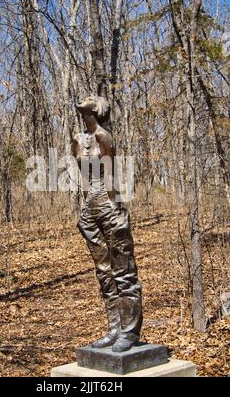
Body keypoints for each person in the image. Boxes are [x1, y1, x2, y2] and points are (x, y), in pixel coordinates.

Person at [73, 96, 143, 352]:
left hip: (109, 203)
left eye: (90, 99)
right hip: (91, 206)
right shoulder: (79, 139)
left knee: (123, 272)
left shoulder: (104, 135)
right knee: (104, 272)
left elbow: (112, 174)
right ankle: (114, 328)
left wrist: (117, 208)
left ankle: (129, 331)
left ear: (97, 108)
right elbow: (84, 175)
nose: (83, 100)